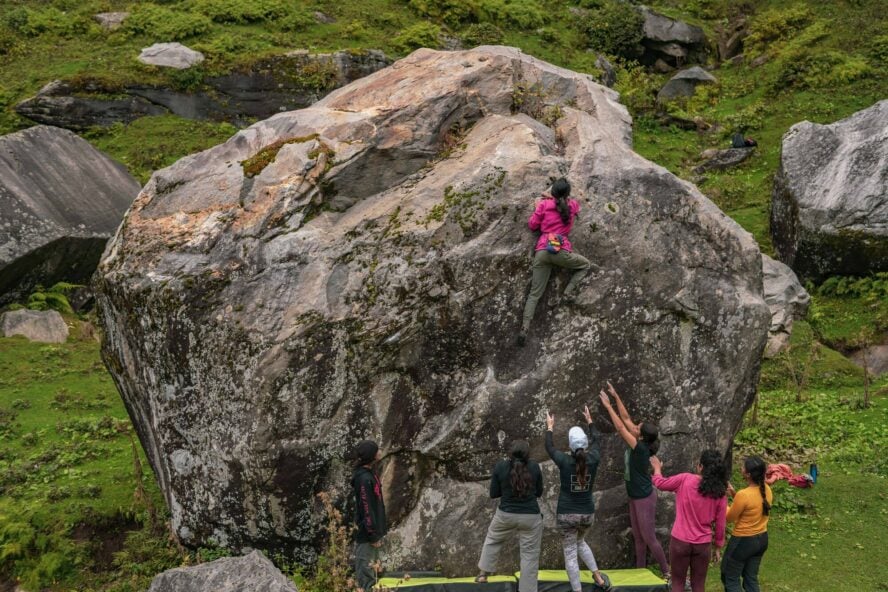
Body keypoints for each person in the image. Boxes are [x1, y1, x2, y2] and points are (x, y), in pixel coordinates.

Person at [599, 383, 669, 577]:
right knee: (638, 537)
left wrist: (608, 406)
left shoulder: (640, 448)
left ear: (641, 435)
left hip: (644, 497)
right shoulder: (640, 440)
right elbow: (627, 418)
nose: (635, 426)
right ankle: (640, 574)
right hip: (634, 495)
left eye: (637, 427)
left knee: (649, 537)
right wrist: (616, 395)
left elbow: (621, 427)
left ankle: (667, 573)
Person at [518, 177, 596, 346]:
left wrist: (544, 200)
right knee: (585, 265)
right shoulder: (572, 206)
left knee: (534, 294)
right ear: (568, 194)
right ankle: (567, 293)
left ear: (552, 193)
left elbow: (532, 225)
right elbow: (572, 204)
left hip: (542, 251)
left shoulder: (544, 205)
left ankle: (524, 327)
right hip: (561, 251)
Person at [545, 407, 610, 591]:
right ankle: (598, 576)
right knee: (580, 542)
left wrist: (550, 427)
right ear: (585, 445)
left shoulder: (565, 461)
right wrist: (590, 421)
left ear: (570, 446)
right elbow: (598, 440)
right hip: (587, 515)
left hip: (567, 515)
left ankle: (577, 590)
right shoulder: (594, 458)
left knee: (571, 553)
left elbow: (549, 448)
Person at [650, 451, 728, 592]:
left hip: (680, 541)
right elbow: (721, 524)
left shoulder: (685, 479)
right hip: (703, 544)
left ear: (700, 466)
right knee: (698, 585)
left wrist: (657, 469)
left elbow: (660, 483)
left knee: (678, 583)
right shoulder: (720, 492)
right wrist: (718, 546)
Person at [476, 440, 544, 592]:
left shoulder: (501, 466)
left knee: (492, 540)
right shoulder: (534, 466)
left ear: (510, 453)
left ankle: (483, 574)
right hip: (531, 517)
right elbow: (539, 492)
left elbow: (494, 494)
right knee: (529, 556)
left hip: (505, 515)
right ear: (527, 454)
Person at [721, 456, 773, 592]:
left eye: (743, 467)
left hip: (743, 541)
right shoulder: (766, 489)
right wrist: (733, 493)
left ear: (748, 474)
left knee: (729, 577)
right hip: (762, 539)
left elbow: (729, 517)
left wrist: (722, 501)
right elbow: (751, 505)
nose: (741, 468)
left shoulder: (744, 495)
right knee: (750, 578)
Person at [351, 440, 387, 592]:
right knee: (366, 580)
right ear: (372, 456)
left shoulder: (370, 473)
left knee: (374, 574)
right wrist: (373, 536)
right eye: (377, 450)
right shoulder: (364, 479)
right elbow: (366, 509)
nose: (380, 452)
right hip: (367, 537)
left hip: (373, 534)